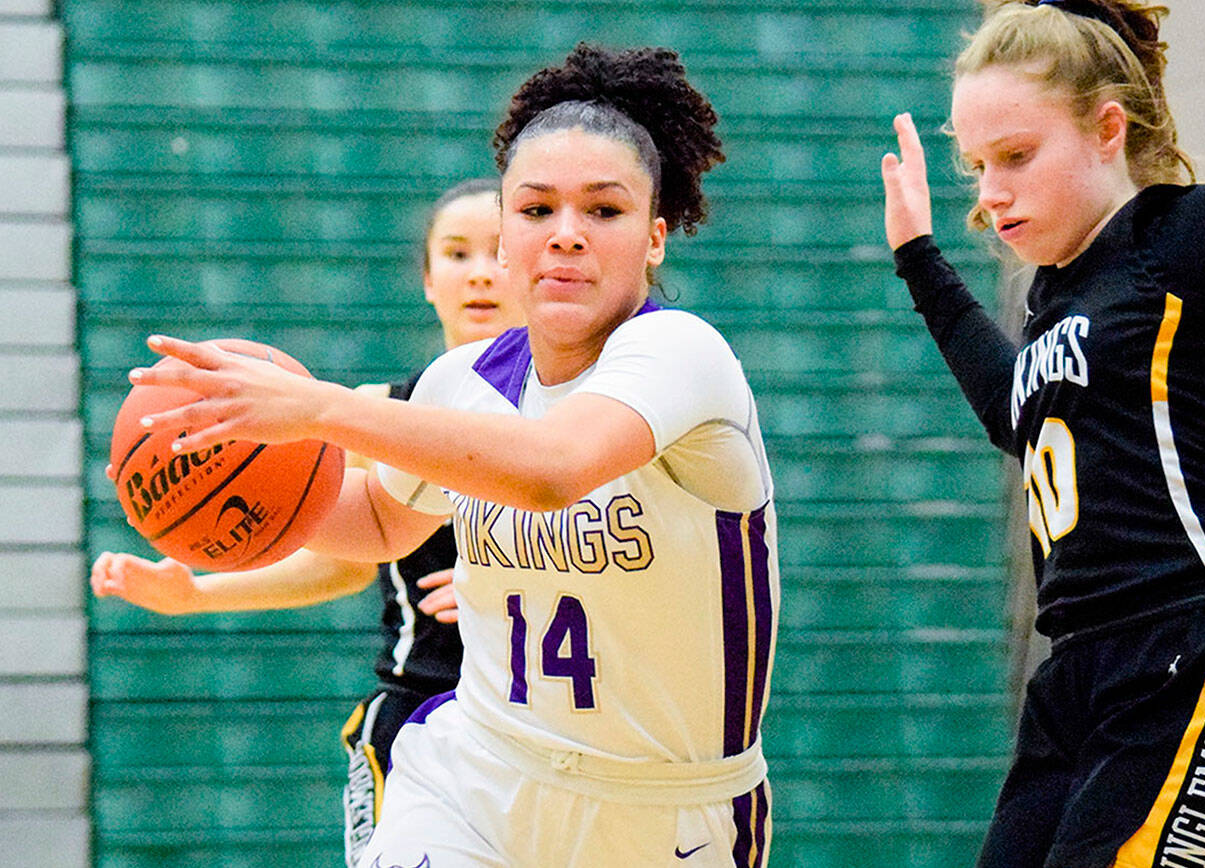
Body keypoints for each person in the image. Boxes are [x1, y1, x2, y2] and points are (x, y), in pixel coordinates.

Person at [113, 43, 779, 868]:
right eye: (536, 211)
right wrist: (221, 474)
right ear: (504, 238)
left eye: (602, 212)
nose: (566, 235)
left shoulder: (682, 355)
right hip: (479, 772)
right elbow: (378, 522)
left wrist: (320, 410)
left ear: (654, 238)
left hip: (661, 810)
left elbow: (551, 470)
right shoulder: (458, 379)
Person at [880, 0, 1205, 865]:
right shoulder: (1055, 297)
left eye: (1017, 156)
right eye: (976, 165)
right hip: (1078, 676)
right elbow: (1018, 416)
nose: (991, 191)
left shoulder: (1188, 238)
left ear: (1107, 128)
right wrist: (922, 259)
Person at [89, 177, 523, 866]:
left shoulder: (577, 416)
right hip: (426, 707)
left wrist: (521, 568)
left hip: (558, 716)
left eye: (499, 252)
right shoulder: (368, 411)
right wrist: (197, 592)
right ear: (427, 280)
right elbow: (348, 554)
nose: (479, 274)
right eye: (456, 253)